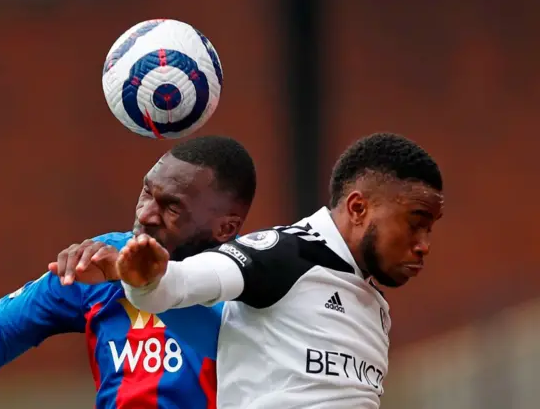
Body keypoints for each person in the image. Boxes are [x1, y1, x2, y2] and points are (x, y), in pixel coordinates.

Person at [104, 132, 444, 409]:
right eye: (416, 224)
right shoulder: (283, 254)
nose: (423, 244)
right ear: (358, 208)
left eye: (429, 229)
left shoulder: (374, 306)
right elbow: (177, 283)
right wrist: (144, 277)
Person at [0, 135, 257, 409]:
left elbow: (224, 340)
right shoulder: (99, 263)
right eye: (147, 192)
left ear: (225, 227)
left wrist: (138, 280)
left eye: (171, 208)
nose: (146, 215)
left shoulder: (255, 279)